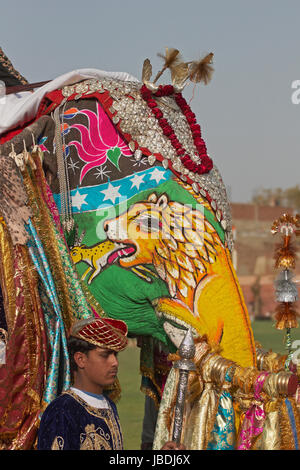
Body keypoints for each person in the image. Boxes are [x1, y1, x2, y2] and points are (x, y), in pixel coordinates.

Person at [37, 316, 184, 451]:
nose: (114, 362)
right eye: (105, 355)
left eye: (115, 354)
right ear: (80, 359)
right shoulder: (61, 411)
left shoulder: (107, 404)